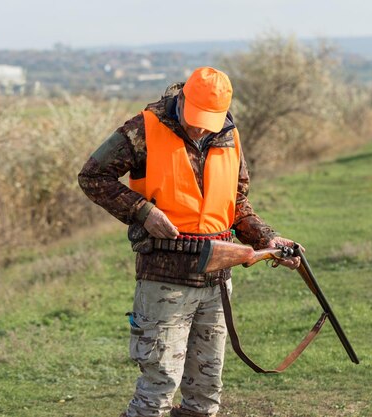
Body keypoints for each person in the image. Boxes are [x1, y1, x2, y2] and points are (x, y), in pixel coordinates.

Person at [78, 67, 301, 417]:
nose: (199, 127)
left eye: (208, 121)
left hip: (217, 282)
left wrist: (269, 239)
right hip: (164, 280)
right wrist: (142, 212)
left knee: (206, 394)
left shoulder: (229, 135)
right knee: (158, 390)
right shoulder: (144, 129)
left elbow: (237, 205)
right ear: (181, 98)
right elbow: (92, 176)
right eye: (195, 118)